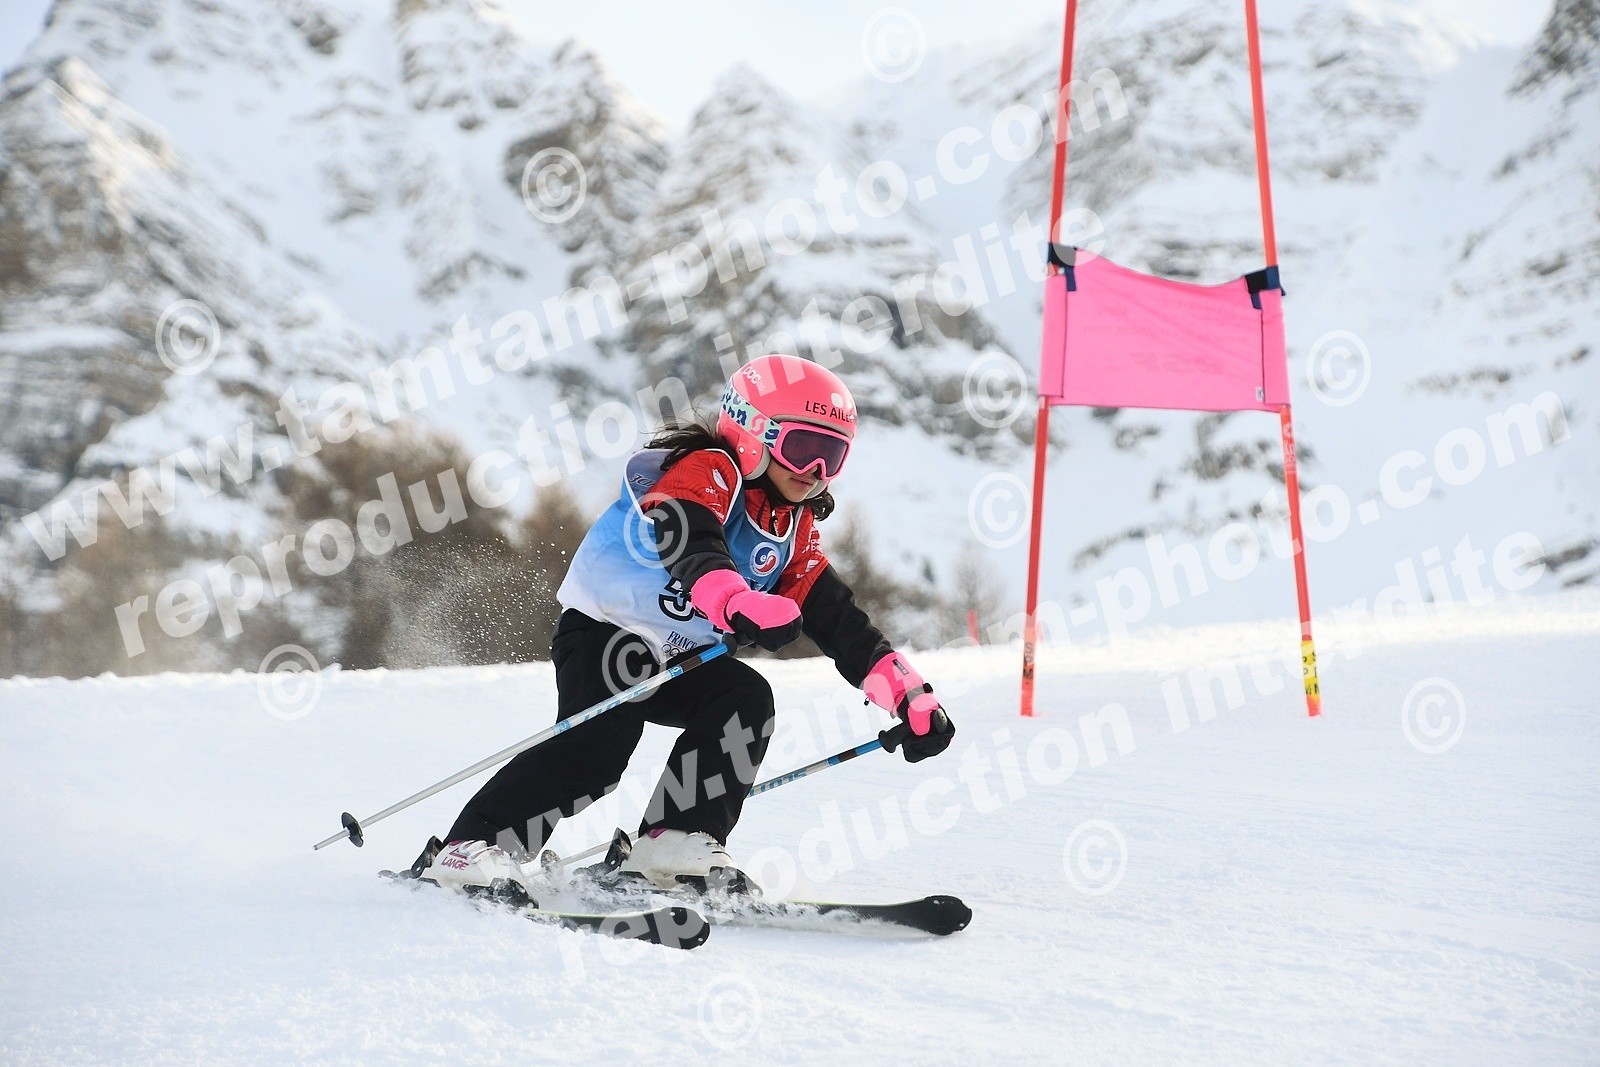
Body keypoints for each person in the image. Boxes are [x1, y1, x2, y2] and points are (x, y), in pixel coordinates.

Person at [412, 354, 956, 894]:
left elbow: (840, 620)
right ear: (752, 431)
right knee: (597, 751)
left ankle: (672, 840)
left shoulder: (792, 527)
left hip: (679, 659)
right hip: (606, 636)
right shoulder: (707, 470)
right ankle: (473, 846)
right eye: (802, 448)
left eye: (832, 456)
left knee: (744, 698)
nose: (815, 471)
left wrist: (907, 694)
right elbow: (690, 541)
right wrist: (735, 602)